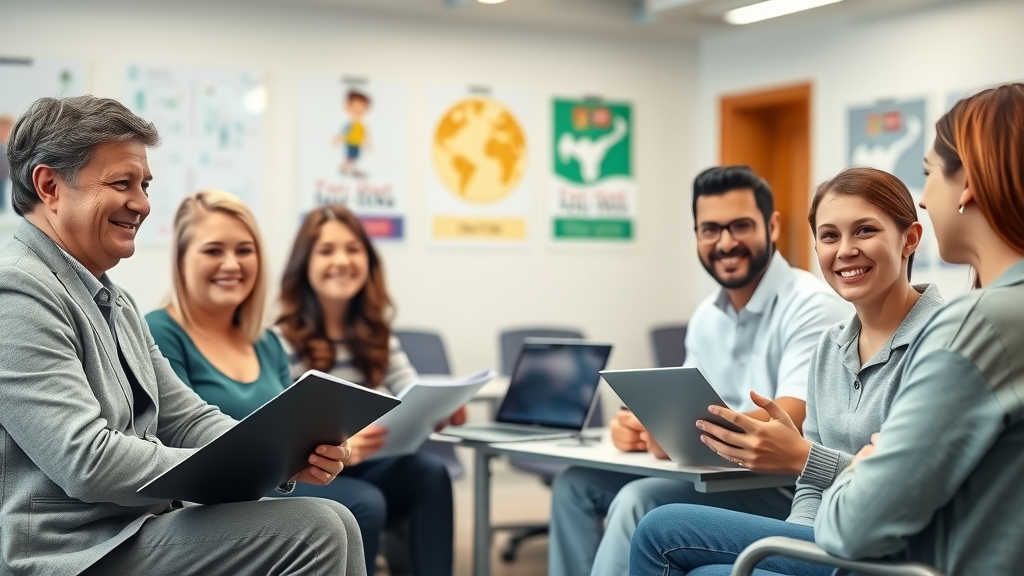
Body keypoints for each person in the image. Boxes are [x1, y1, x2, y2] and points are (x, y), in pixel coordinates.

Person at [0, 95, 365, 576]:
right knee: (316, 528)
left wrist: (282, 459)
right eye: (122, 183)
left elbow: (188, 418)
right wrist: (227, 469)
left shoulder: (115, 300)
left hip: (134, 529)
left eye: (145, 185)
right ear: (49, 185)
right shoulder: (17, 289)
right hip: (70, 554)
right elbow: (85, 461)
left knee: (335, 519)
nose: (143, 204)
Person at [629, 167, 943, 575]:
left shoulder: (945, 340)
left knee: (660, 529)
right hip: (824, 544)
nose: (845, 250)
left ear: (910, 239)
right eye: (830, 236)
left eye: (865, 231)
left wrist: (804, 457)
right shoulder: (831, 346)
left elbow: (912, 490)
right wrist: (786, 553)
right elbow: (810, 488)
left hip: (892, 551)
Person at [549, 165, 851, 576]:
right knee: (575, 485)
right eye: (710, 229)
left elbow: (791, 417)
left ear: (772, 225)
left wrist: (677, 432)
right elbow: (684, 404)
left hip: (781, 485)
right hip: (711, 474)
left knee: (640, 499)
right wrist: (642, 427)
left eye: (740, 226)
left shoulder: (813, 304)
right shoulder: (706, 316)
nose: (725, 243)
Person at [811, 83, 1024, 574]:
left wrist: (862, 469)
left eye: (929, 175)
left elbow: (851, 527)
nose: (925, 199)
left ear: (966, 182)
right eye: (829, 235)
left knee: (661, 528)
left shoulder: (976, 326)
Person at [275, 204, 462, 576]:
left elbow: (410, 388)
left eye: (353, 249)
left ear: (368, 260)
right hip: (311, 474)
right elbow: (282, 433)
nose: (342, 260)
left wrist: (436, 410)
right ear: (304, 264)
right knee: (368, 501)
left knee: (431, 471)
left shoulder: (378, 334)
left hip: (365, 463)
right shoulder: (280, 340)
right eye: (326, 250)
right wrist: (343, 443)